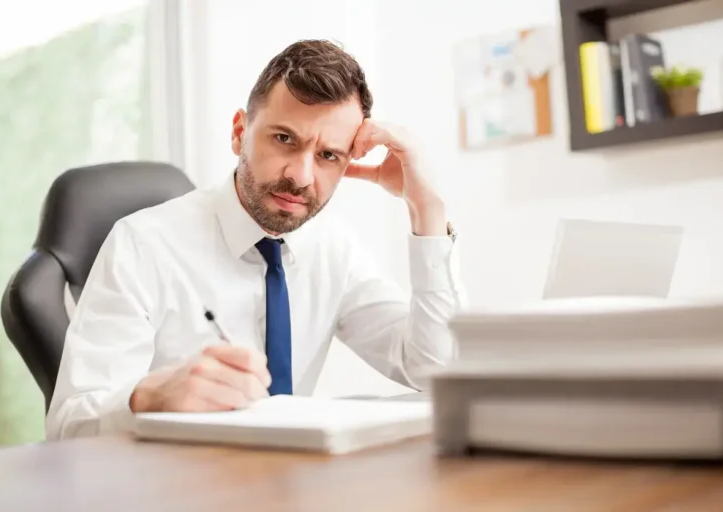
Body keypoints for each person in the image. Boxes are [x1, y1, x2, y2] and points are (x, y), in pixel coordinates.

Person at [46, 39, 463, 440]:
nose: (300, 176)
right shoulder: (141, 245)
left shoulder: (334, 249)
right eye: (284, 139)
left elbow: (436, 369)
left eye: (327, 156)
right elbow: (67, 426)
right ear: (239, 132)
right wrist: (150, 398)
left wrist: (427, 210)